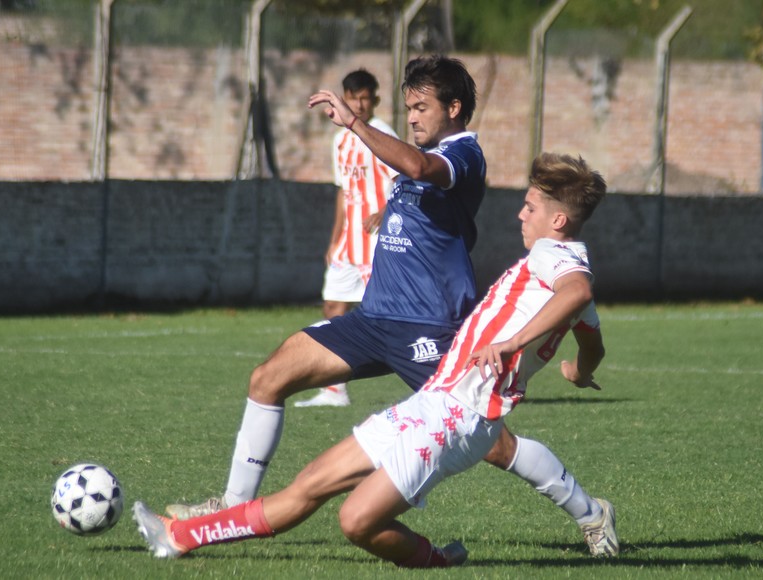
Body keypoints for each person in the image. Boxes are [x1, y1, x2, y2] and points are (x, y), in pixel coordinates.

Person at [166, 56, 604, 552]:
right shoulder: (428, 152)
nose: (411, 117)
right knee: (269, 376)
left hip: (428, 327)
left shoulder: (464, 154)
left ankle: (588, 512)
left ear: (454, 108)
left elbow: (421, 169)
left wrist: (354, 123)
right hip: (374, 318)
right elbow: (419, 190)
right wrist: (389, 215)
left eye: (421, 107)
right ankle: (231, 503)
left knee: (495, 444)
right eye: (408, 108)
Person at [295, 69, 399, 408]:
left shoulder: (382, 133)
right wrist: (334, 237)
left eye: (365, 97)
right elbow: (343, 190)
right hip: (348, 242)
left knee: (392, 313)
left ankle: (436, 376)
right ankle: (334, 390)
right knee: (332, 307)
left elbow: (405, 178)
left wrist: (385, 211)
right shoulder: (339, 139)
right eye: (353, 97)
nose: (359, 103)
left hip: (377, 240)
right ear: (344, 98)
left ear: (376, 100)